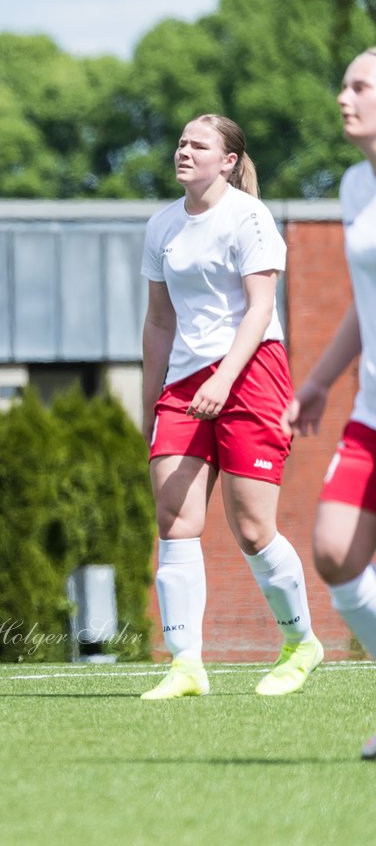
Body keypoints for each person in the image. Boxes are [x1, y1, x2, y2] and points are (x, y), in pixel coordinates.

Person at [139, 114, 323, 700]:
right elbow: (159, 320)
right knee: (174, 518)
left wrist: (223, 378)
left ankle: (301, 643)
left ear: (228, 160)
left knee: (251, 526)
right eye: (181, 142)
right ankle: (185, 665)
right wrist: (151, 402)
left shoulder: (250, 217)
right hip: (184, 383)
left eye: (199, 144)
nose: (184, 151)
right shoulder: (162, 226)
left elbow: (260, 309)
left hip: (251, 373)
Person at [282, 48, 376, 757]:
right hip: (371, 406)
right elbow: (361, 303)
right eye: (343, 85)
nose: (343, 97)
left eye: (360, 86)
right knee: (335, 551)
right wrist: (316, 378)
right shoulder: (352, 186)